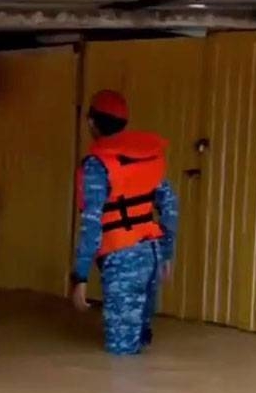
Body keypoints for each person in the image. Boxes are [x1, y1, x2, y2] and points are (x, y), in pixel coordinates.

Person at [70, 89, 179, 355]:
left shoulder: (97, 165)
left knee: (121, 353)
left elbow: (92, 223)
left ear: (91, 123)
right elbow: (170, 205)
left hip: (123, 260)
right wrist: (166, 253)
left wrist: (80, 276)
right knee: (139, 340)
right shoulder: (149, 156)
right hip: (151, 254)